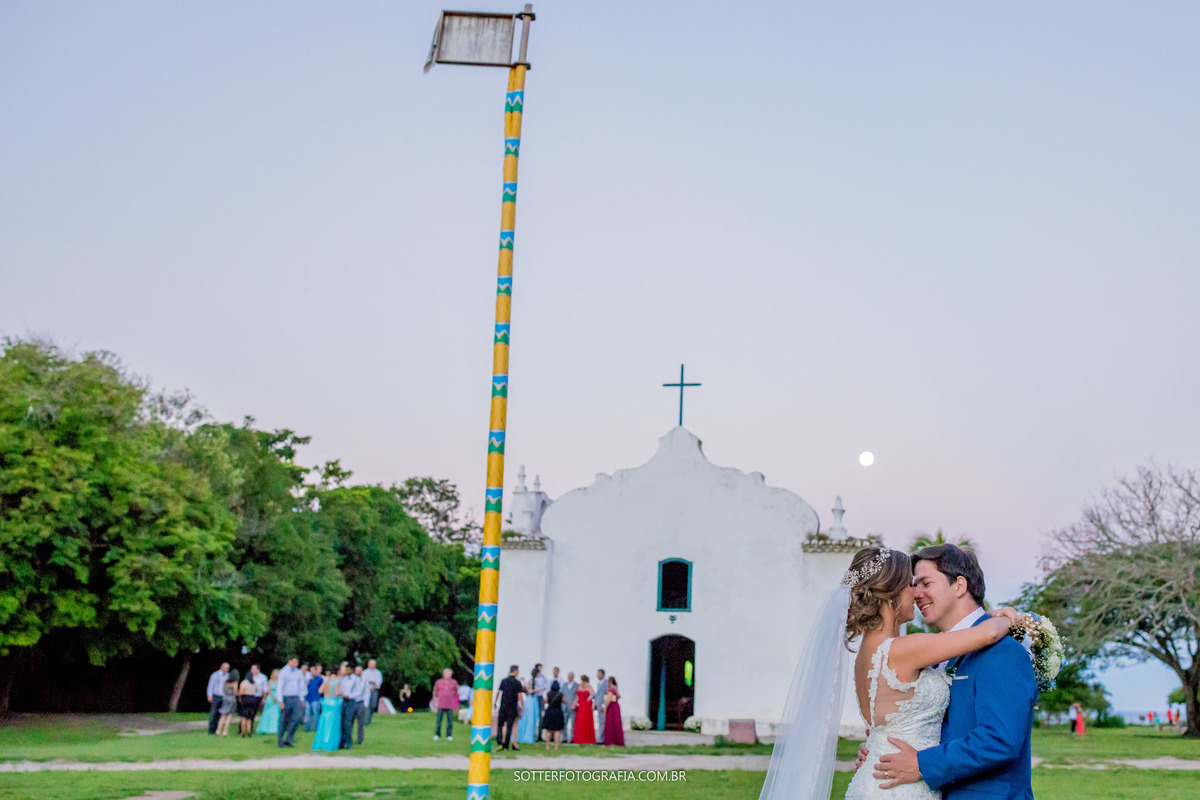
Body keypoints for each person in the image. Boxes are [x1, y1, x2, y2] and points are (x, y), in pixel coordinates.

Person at [764, 544, 1031, 800]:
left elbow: (999, 738)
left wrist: (884, 748)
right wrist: (1009, 618)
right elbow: (990, 632)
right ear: (890, 594)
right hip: (900, 787)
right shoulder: (909, 649)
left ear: (960, 585)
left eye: (925, 583)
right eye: (911, 584)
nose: (916, 593)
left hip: (886, 779)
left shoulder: (875, 655)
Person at [312, 665, 345, 752]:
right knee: (332, 724)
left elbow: (320, 691)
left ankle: (321, 743)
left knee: (323, 722)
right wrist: (343, 694)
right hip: (333, 702)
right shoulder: (337, 680)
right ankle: (329, 744)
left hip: (325, 702)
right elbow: (337, 693)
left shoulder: (326, 679)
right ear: (338, 672)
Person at [276, 656, 306, 748]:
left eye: (296, 662)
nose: (295, 664)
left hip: (296, 697)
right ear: (289, 661)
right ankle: (280, 740)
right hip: (286, 697)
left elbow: (300, 686)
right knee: (284, 719)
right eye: (294, 662)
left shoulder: (298, 672)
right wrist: (280, 700)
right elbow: (280, 686)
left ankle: (289, 739)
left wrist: (301, 698)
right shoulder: (283, 672)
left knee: (296, 718)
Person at [495, 665, 525, 751]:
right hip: (512, 706)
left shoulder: (504, 681)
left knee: (501, 724)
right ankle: (506, 745)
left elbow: (498, 692)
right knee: (509, 725)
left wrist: (495, 702)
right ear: (515, 671)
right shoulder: (517, 683)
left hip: (503, 705)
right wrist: (522, 706)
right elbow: (520, 696)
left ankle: (500, 741)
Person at [340, 663, 363, 749]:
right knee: (342, 722)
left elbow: (359, 692)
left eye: (348, 670)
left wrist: (350, 695)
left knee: (348, 722)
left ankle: (349, 742)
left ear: (352, 670)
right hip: (344, 701)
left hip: (351, 701)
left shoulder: (356, 680)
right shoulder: (344, 679)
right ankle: (342, 741)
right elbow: (342, 689)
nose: (346, 671)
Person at [433, 668, 460, 741]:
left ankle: (449, 735)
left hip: (450, 704)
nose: (448, 675)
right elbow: (435, 691)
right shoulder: (439, 682)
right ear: (443, 674)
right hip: (441, 704)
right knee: (439, 720)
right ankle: (437, 734)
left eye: (449, 674)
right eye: (446, 674)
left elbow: (456, 692)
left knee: (450, 721)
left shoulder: (454, 682)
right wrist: (435, 701)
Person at [516, 671, 541, 744]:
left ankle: (529, 736)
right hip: (530, 700)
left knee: (532, 718)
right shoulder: (529, 682)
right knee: (529, 718)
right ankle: (527, 736)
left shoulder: (534, 682)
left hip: (533, 700)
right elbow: (528, 691)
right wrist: (537, 690)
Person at [206, 662, 230, 734]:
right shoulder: (215, 675)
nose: (226, 669)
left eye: (227, 668)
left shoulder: (228, 676)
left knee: (221, 714)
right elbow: (211, 685)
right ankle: (211, 730)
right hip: (216, 695)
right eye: (225, 667)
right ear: (221, 667)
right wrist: (209, 695)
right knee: (213, 713)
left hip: (224, 696)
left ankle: (217, 729)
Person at [572, 675, 596, 744]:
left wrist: (593, 704)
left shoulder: (589, 688)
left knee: (586, 722)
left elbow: (593, 696)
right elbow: (577, 697)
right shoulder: (579, 687)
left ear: (585, 681)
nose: (581, 682)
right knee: (579, 722)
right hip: (580, 706)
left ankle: (587, 739)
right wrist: (574, 704)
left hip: (587, 707)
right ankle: (578, 739)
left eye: (582, 680)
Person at [602, 676, 624, 747]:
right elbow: (619, 696)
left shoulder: (610, 689)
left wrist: (605, 707)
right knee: (616, 723)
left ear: (610, 682)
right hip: (616, 707)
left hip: (611, 708)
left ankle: (611, 740)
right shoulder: (615, 688)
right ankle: (618, 740)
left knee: (610, 723)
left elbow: (608, 699)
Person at [216, 668, 240, 736]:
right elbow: (235, 692)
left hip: (225, 698)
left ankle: (218, 730)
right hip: (231, 699)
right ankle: (225, 731)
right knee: (229, 716)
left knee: (223, 715)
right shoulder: (235, 683)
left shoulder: (226, 682)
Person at [543, 680, 565, 751]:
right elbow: (564, 702)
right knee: (557, 730)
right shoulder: (561, 694)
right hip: (558, 712)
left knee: (548, 730)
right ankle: (556, 747)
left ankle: (547, 746)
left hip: (550, 712)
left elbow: (546, 701)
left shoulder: (548, 693)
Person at [237, 671, 260, 737]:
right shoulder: (254, 683)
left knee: (243, 717)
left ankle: (243, 732)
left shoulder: (244, 682)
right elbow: (256, 690)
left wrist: (240, 697)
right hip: (252, 699)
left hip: (245, 698)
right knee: (249, 717)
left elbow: (241, 692)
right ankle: (249, 731)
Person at [258, 669, 281, 734]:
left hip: (278, 698)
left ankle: (275, 728)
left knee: (276, 714)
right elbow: (269, 691)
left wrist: (278, 698)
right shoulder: (270, 681)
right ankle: (265, 728)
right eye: (275, 673)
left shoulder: (280, 681)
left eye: (277, 673)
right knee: (268, 713)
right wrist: (273, 697)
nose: (276, 674)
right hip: (271, 698)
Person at [560, 671, 579, 742]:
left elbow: (577, 695)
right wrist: (563, 699)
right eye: (568, 676)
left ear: (573, 677)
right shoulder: (564, 684)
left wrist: (575, 703)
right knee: (564, 722)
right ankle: (564, 738)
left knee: (573, 723)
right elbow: (561, 693)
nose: (569, 678)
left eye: (570, 676)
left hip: (572, 707)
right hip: (565, 706)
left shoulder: (577, 685)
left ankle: (572, 738)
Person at [532, 663, 549, 741]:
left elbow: (546, 687)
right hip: (534, 697)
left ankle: (539, 734)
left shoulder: (543, 678)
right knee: (534, 716)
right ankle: (533, 734)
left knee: (541, 716)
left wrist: (545, 696)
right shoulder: (532, 678)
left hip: (541, 697)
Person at [362, 659, 383, 725]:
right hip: (367, 690)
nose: (373, 665)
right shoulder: (365, 672)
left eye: (374, 664)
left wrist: (375, 685)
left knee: (373, 705)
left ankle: (369, 719)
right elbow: (363, 681)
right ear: (369, 664)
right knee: (367, 704)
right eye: (372, 664)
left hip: (375, 689)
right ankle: (365, 721)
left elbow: (379, 680)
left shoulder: (378, 672)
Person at [305, 664, 324, 732]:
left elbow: (322, 689)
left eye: (313, 670)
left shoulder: (319, 679)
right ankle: (307, 728)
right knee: (307, 714)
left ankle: (317, 728)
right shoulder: (308, 680)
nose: (312, 672)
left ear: (316, 671)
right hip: (308, 698)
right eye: (311, 671)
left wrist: (319, 696)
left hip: (316, 698)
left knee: (316, 713)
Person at [594, 669, 609, 744]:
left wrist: (604, 704)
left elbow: (606, 694)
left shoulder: (605, 683)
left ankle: (601, 739)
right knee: (600, 722)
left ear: (603, 675)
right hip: (598, 705)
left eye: (599, 674)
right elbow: (598, 694)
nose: (598, 675)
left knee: (602, 722)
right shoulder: (599, 683)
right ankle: (600, 737)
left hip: (602, 705)